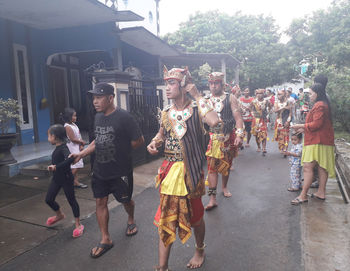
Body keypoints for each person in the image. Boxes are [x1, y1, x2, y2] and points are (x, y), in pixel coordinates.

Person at [147, 67, 220, 271]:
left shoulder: (197, 108)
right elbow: (162, 134)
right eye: (166, 83)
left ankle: (199, 249)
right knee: (165, 218)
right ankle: (163, 266)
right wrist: (154, 142)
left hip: (191, 172)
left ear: (183, 85)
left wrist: (196, 94)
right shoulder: (166, 112)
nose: (167, 88)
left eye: (171, 83)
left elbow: (214, 121)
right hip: (169, 172)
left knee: (196, 217)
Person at [71, 82, 144, 258]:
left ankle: (131, 219)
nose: (95, 102)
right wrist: (82, 154)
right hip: (100, 170)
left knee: (126, 201)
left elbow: (139, 140)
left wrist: (122, 151)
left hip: (120, 171)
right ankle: (106, 239)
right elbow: (97, 140)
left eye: (99, 97)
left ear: (110, 98)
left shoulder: (124, 117)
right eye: (93, 98)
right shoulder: (97, 117)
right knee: (100, 203)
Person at [290, 83, 335, 205]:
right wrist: (304, 129)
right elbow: (319, 124)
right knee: (321, 167)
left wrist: (300, 125)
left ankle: (303, 195)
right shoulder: (323, 104)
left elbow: (316, 125)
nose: (309, 96)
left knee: (308, 167)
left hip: (316, 141)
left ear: (317, 93)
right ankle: (321, 192)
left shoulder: (320, 105)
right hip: (323, 140)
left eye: (310, 93)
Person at [205, 72, 244, 209]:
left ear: (222, 84)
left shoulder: (230, 98)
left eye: (216, 83)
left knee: (226, 167)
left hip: (228, 138)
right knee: (211, 169)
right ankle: (212, 198)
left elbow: (238, 118)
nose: (213, 86)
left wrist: (239, 135)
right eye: (211, 83)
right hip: (212, 139)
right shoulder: (205, 100)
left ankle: (225, 186)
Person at [45, 124, 84, 238]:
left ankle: (78, 224)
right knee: (49, 199)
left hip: (66, 178)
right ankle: (59, 215)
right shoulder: (58, 148)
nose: (48, 138)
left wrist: (56, 167)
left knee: (72, 201)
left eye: (49, 136)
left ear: (55, 137)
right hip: (57, 179)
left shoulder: (63, 148)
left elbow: (70, 159)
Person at [62, 108, 87, 188]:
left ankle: (75, 182)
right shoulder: (67, 126)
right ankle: (67, 180)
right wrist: (82, 142)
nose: (76, 117)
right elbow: (72, 139)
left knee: (75, 166)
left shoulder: (74, 124)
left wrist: (81, 144)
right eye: (74, 116)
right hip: (72, 148)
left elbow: (78, 136)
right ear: (69, 117)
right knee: (77, 165)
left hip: (77, 146)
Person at [251, 89, 271, 155]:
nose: (259, 95)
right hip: (256, 120)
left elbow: (270, 106)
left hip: (263, 119)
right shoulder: (254, 101)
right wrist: (252, 114)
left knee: (264, 133)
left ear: (263, 94)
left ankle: (264, 148)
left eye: (261, 93)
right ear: (256, 94)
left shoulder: (266, 101)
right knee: (256, 134)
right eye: (258, 93)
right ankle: (259, 146)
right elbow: (251, 108)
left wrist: (267, 112)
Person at [274, 89, 292, 155]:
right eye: (278, 94)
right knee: (280, 135)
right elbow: (275, 111)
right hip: (279, 121)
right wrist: (283, 108)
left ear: (284, 95)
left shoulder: (288, 102)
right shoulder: (276, 103)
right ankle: (281, 147)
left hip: (286, 120)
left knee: (286, 135)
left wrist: (288, 121)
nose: (278, 96)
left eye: (280, 94)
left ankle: (285, 149)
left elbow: (290, 113)